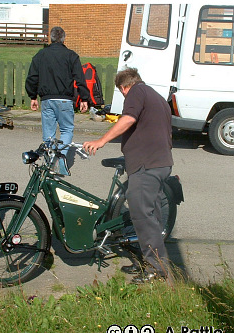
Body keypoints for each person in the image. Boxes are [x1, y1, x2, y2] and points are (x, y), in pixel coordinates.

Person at [83, 67, 174, 284]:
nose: (124, 96)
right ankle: (151, 261)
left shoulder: (136, 92)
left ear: (124, 87)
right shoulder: (157, 97)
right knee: (152, 217)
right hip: (160, 163)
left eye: (121, 92)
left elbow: (128, 119)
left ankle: (156, 271)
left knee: (143, 217)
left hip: (147, 165)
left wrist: (101, 141)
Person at [25, 26, 90, 174]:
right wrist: (84, 98)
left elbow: (32, 77)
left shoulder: (41, 55)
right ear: (63, 39)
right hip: (65, 100)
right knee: (67, 130)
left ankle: (50, 163)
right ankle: (60, 158)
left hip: (47, 99)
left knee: (48, 133)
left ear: (51, 38)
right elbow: (80, 78)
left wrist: (33, 96)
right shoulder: (71, 55)